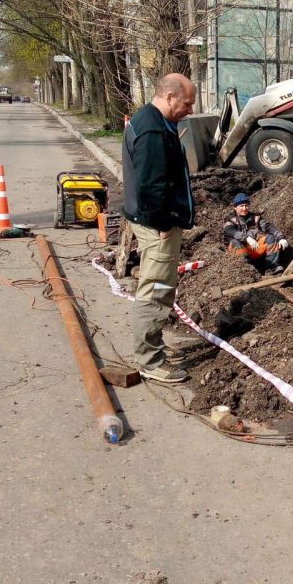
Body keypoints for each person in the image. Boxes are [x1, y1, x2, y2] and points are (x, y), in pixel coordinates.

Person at [122, 73, 196, 383]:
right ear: (169, 97)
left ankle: (153, 344)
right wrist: (164, 223)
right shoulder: (152, 129)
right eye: (187, 103)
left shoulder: (155, 121)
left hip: (157, 225)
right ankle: (149, 360)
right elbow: (150, 184)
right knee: (154, 291)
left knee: (163, 286)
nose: (190, 110)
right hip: (157, 227)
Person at [223, 193, 288, 274]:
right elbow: (230, 231)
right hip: (237, 251)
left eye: (246, 205)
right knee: (235, 242)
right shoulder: (229, 219)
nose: (244, 208)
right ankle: (247, 271)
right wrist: (246, 238)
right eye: (241, 206)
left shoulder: (255, 217)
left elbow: (268, 226)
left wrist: (281, 237)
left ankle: (271, 266)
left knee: (271, 238)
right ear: (235, 207)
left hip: (254, 248)